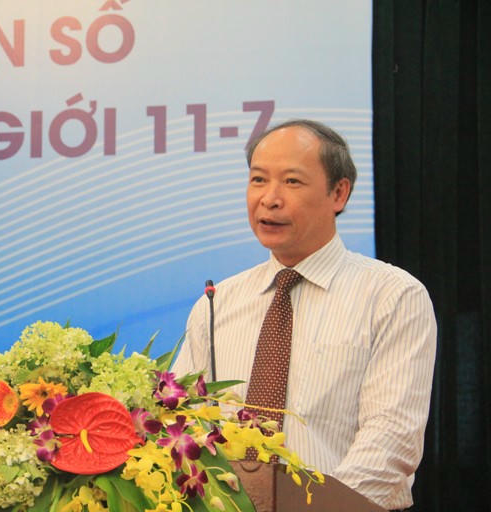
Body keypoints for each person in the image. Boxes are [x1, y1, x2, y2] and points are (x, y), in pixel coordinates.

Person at [172, 120, 436, 511]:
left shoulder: (392, 297)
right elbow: (180, 426)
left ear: (339, 193)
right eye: (258, 180)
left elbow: (390, 440)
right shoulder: (216, 303)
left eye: (292, 182)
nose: (269, 199)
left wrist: (315, 507)